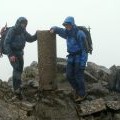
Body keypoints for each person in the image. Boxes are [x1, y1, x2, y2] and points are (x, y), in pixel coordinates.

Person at [50, 16, 88, 102]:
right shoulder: (67, 32)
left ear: (72, 24)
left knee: (79, 76)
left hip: (79, 57)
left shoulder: (80, 34)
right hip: (71, 57)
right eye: (65, 25)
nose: (66, 26)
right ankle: (77, 90)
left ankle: (82, 94)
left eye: (68, 25)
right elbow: (59, 30)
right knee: (69, 75)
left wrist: (83, 63)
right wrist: (53, 29)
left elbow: (85, 50)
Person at [4, 17, 37, 100]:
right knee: (16, 68)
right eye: (22, 23)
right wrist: (11, 55)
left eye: (25, 24)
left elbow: (30, 39)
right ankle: (16, 89)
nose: (24, 25)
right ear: (18, 23)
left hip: (20, 53)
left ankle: (18, 87)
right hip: (12, 53)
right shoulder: (12, 30)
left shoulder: (23, 31)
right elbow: (6, 43)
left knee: (20, 69)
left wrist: (37, 35)